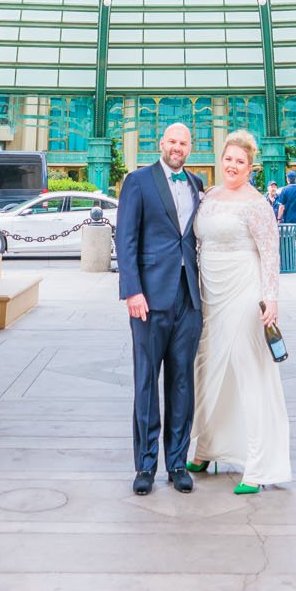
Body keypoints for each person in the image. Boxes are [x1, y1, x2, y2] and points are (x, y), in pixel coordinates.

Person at [188, 130, 291, 495]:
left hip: (244, 291)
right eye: (228, 159)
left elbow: (270, 253)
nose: (232, 165)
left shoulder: (257, 203)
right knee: (208, 366)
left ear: (251, 167)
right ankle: (206, 447)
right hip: (209, 293)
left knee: (249, 370)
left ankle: (259, 465)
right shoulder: (208, 196)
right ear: (222, 160)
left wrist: (270, 299)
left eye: (240, 162)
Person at [114, 121, 203, 496]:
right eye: (172, 141)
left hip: (188, 298)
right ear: (161, 144)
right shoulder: (138, 181)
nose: (177, 147)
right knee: (147, 382)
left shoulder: (198, 185)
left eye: (183, 143)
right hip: (148, 299)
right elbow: (125, 238)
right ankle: (146, 465)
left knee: (183, 382)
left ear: (189, 147)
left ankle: (178, 463)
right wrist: (132, 291)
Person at [275, 169, 296, 270]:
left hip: (288, 219)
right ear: (295, 179)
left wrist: (279, 218)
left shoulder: (285, 190)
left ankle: (288, 263)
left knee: (287, 241)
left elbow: (281, 207)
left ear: (288, 179)